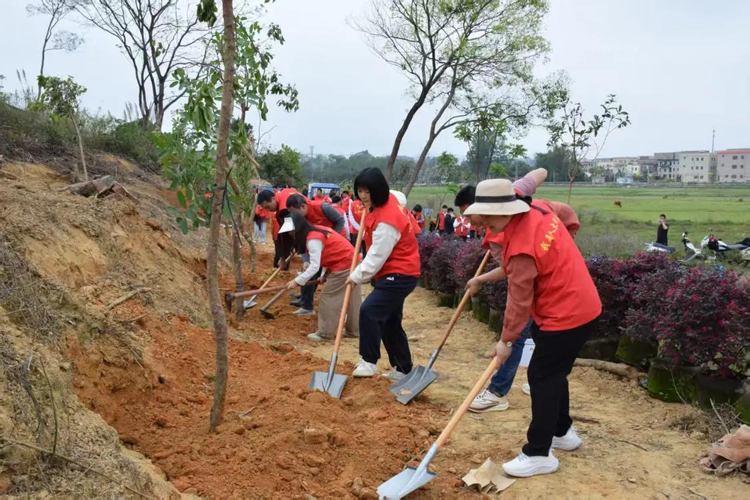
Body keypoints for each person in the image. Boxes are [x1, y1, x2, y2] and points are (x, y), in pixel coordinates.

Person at [464, 178, 601, 478]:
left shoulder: (521, 247)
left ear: (507, 210)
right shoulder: (539, 209)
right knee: (553, 373)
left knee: (541, 376)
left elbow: (519, 300)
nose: (485, 223)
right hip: (581, 303)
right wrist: (566, 239)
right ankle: (562, 432)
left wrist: (506, 342)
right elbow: (566, 213)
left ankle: (539, 453)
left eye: (489, 217)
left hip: (565, 313)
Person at [455, 169, 581, 414]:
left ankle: (497, 392)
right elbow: (540, 172)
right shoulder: (513, 195)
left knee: (517, 334)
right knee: (541, 334)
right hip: (553, 259)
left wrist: (505, 340)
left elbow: (514, 277)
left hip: (551, 277)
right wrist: (479, 279)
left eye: (469, 215)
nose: (469, 222)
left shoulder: (499, 234)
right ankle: (541, 379)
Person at [348, 168, 420, 380]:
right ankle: (403, 368)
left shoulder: (388, 220)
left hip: (400, 273)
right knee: (390, 321)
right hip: (393, 272)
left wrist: (356, 276)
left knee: (369, 310)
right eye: (360, 190)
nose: (363, 196)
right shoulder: (382, 204)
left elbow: (377, 255)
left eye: (367, 191)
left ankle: (368, 361)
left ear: (378, 190)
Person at [280, 213, 361, 342]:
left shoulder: (313, 239)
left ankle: (325, 334)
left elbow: (314, 266)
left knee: (328, 297)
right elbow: (329, 253)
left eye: (292, 231)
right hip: (352, 260)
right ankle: (354, 331)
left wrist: (297, 281)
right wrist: (325, 275)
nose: (290, 234)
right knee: (352, 297)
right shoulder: (317, 230)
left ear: (299, 227)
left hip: (344, 264)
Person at [285, 194, 347, 315]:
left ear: (302, 206)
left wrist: (332, 238)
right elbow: (303, 243)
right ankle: (305, 302)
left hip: (333, 245)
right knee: (308, 271)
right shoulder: (300, 222)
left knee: (315, 270)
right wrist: (305, 260)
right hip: (317, 244)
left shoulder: (323, 207)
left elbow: (340, 220)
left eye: (294, 212)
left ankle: (308, 304)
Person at [258, 187, 300, 270]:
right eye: (265, 208)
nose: (268, 210)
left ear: (273, 199)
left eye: (268, 207)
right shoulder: (281, 196)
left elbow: (286, 235)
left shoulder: (284, 210)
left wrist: (283, 258)